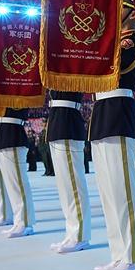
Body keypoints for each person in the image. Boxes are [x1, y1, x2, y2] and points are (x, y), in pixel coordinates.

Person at [89, 0, 135, 270]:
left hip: (118, 107)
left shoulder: (131, 41)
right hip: (102, 110)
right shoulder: (111, 41)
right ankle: (118, 254)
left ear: (128, 11)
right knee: (108, 191)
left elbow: (116, 66)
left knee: (122, 189)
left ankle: (132, 256)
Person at [46, 89, 91, 254]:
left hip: (67, 121)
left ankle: (79, 235)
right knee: (65, 187)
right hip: (58, 118)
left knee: (73, 185)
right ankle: (71, 232)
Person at [0, 108, 36, 238]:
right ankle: (19, 221)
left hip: (13, 133)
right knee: (12, 186)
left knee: (18, 185)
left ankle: (25, 223)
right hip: (3, 133)